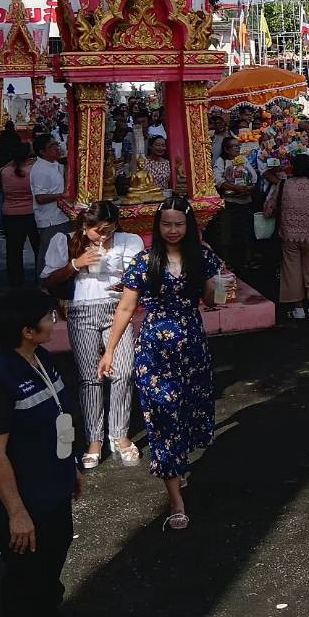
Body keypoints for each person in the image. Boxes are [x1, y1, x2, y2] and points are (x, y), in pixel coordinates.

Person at [100, 198, 224, 530]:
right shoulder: (144, 262)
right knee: (163, 420)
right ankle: (175, 501)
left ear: (189, 226)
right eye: (166, 224)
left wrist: (219, 285)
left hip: (192, 348)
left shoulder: (203, 257)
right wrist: (110, 350)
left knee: (186, 414)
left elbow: (212, 300)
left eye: (178, 224)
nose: (172, 230)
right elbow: (125, 309)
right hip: (154, 350)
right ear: (158, 226)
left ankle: (178, 466)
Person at [0, 291, 83, 617]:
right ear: (27, 331)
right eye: (48, 317)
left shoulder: (43, 360)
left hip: (53, 484)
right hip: (23, 495)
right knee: (25, 570)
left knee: (54, 553)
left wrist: (71, 470)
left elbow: (58, 419)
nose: (54, 320)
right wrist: (17, 512)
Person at [41, 201, 143, 469]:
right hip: (81, 311)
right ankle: (94, 439)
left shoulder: (128, 241)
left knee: (123, 371)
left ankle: (119, 434)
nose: (103, 236)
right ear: (84, 226)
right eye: (97, 231)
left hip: (117, 308)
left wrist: (127, 280)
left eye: (108, 230)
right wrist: (76, 264)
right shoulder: (64, 240)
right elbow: (50, 280)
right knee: (89, 378)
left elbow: (138, 276)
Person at [267, 153, 309, 320]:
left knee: (291, 270)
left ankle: (297, 309)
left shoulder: (283, 185)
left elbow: (269, 208)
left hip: (288, 235)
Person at [0, 146, 42, 289]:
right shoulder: (32, 171)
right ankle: (40, 277)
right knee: (38, 248)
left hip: (11, 214)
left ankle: (15, 281)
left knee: (13, 250)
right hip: (31, 213)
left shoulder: (5, 172)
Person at [211, 135, 256, 272]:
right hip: (229, 201)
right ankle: (227, 261)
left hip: (244, 200)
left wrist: (249, 188)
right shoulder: (221, 161)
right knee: (227, 231)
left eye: (238, 146)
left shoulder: (243, 160)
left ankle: (248, 259)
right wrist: (233, 187)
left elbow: (253, 176)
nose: (237, 148)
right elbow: (217, 179)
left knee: (246, 230)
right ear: (226, 149)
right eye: (234, 146)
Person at [30, 134, 70, 265]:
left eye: (57, 144)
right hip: (50, 220)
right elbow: (40, 198)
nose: (57, 148)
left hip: (60, 217)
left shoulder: (54, 164)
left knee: (60, 254)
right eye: (52, 146)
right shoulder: (40, 169)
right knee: (48, 256)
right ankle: (43, 284)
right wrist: (62, 195)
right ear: (42, 152)